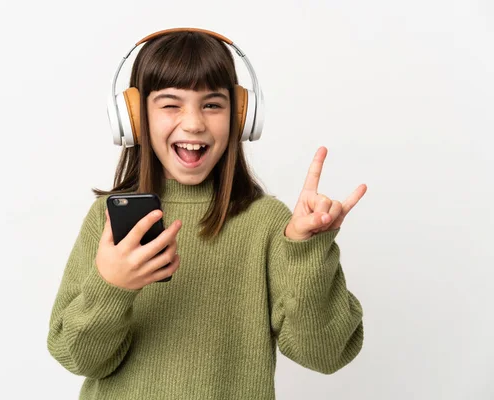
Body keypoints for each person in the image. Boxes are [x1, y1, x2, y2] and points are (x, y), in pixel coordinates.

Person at [47, 27, 367, 400]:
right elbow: (76, 357)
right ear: (134, 118)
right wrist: (112, 287)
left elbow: (326, 354)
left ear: (241, 117)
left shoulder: (268, 224)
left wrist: (308, 251)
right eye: (170, 104)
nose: (195, 122)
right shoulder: (108, 221)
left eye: (212, 104)